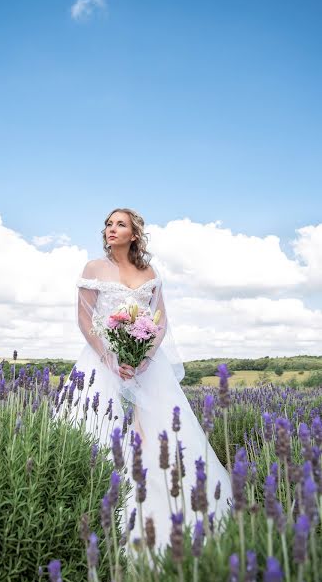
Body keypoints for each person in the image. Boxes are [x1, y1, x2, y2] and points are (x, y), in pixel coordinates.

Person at [66, 207, 232, 551]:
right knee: (99, 434)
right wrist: (110, 357)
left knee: (161, 437)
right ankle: (94, 515)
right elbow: (85, 320)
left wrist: (143, 358)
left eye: (120, 224)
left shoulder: (149, 271)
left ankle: (171, 514)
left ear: (134, 234)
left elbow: (160, 322)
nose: (112, 229)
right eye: (109, 224)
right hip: (102, 363)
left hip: (145, 366)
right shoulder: (94, 268)